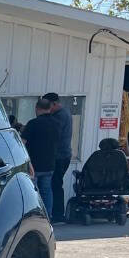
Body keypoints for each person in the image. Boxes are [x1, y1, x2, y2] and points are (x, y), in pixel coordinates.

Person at [23, 97, 60, 216]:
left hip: (33, 165)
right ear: (50, 108)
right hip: (49, 164)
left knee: (33, 192)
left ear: (37, 108)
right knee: (47, 191)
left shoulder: (33, 124)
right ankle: (47, 216)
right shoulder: (57, 124)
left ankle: (34, 216)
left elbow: (22, 143)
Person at [42, 92, 73, 222]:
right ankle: (57, 213)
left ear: (54, 104)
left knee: (55, 184)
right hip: (63, 155)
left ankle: (58, 214)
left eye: (47, 105)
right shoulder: (63, 113)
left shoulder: (60, 116)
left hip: (60, 156)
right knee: (55, 183)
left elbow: (51, 133)